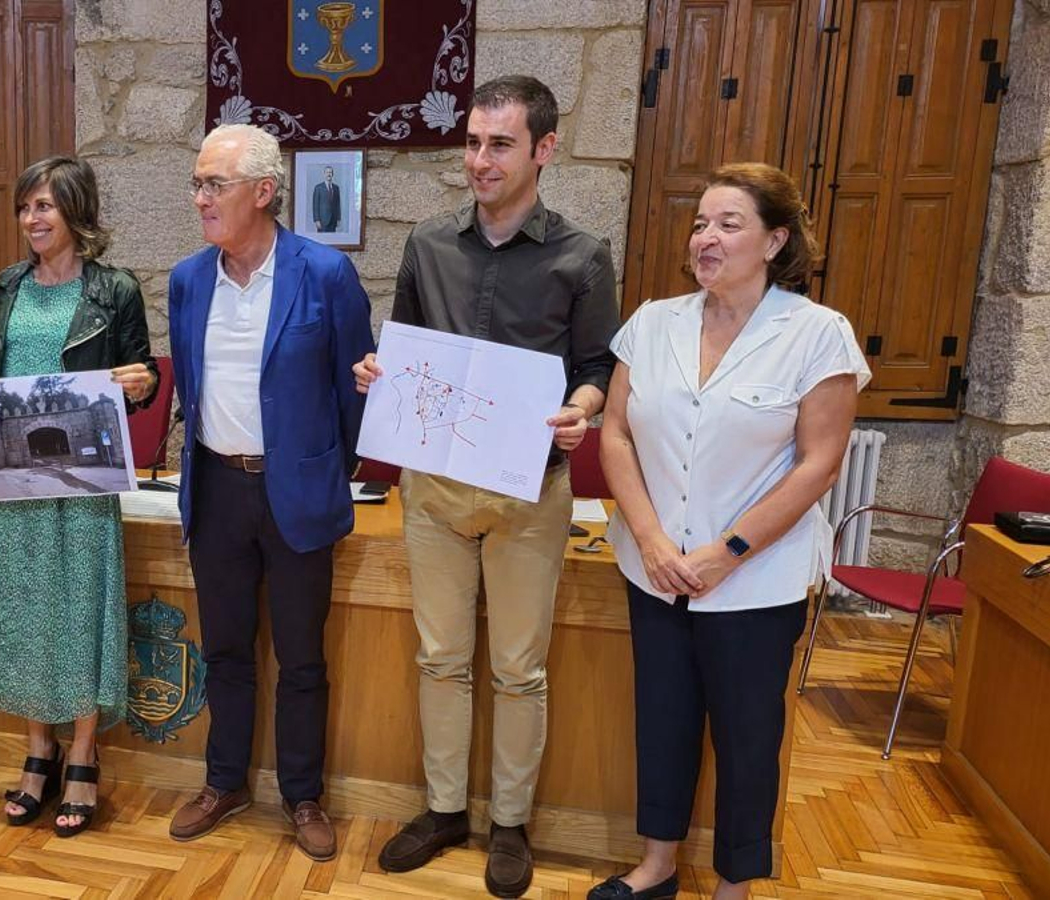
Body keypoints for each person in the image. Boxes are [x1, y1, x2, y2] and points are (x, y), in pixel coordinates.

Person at [352, 75, 620, 897]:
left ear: (544, 149)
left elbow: (597, 367)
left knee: (518, 670)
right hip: (434, 488)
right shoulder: (427, 244)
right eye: (472, 142)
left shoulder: (582, 254)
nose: (479, 159)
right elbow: (403, 350)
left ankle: (509, 823)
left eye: (498, 144)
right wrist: (377, 374)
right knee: (439, 659)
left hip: (528, 492)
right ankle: (441, 811)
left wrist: (582, 409)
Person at [589, 163, 867, 900]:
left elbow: (818, 465)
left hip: (754, 581)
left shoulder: (816, 335)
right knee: (664, 718)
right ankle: (655, 867)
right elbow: (615, 434)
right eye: (700, 223)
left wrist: (726, 552)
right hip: (653, 568)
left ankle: (736, 883)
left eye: (728, 224)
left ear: (776, 240)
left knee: (747, 738)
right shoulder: (652, 322)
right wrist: (650, 540)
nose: (705, 238)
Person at [165, 123, 375, 862]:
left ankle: (302, 794)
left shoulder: (324, 275)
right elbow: (190, 389)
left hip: (297, 494)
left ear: (264, 191)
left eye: (213, 185)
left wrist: (324, 468)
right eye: (196, 183)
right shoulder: (189, 280)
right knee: (224, 650)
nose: (199, 199)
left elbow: (357, 391)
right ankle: (224, 782)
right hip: (217, 489)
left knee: (300, 657)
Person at [0, 155, 159, 838]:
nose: (32, 219)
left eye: (44, 205)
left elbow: (145, 380)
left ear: (76, 210)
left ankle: (82, 751)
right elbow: (2, 373)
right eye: (25, 207)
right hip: (13, 478)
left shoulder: (114, 289)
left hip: (81, 478)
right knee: (24, 609)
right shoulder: (5, 286)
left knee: (78, 606)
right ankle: (36, 747)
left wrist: (141, 385)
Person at [312, 166, 342, 233]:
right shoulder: (318, 188)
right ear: (324, 174)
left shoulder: (336, 188)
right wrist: (317, 220)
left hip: (333, 221)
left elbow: (338, 204)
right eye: (327, 172)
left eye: (330, 172)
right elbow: (315, 205)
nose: (329, 174)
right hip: (322, 221)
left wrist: (338, 219)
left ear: (332, 174)